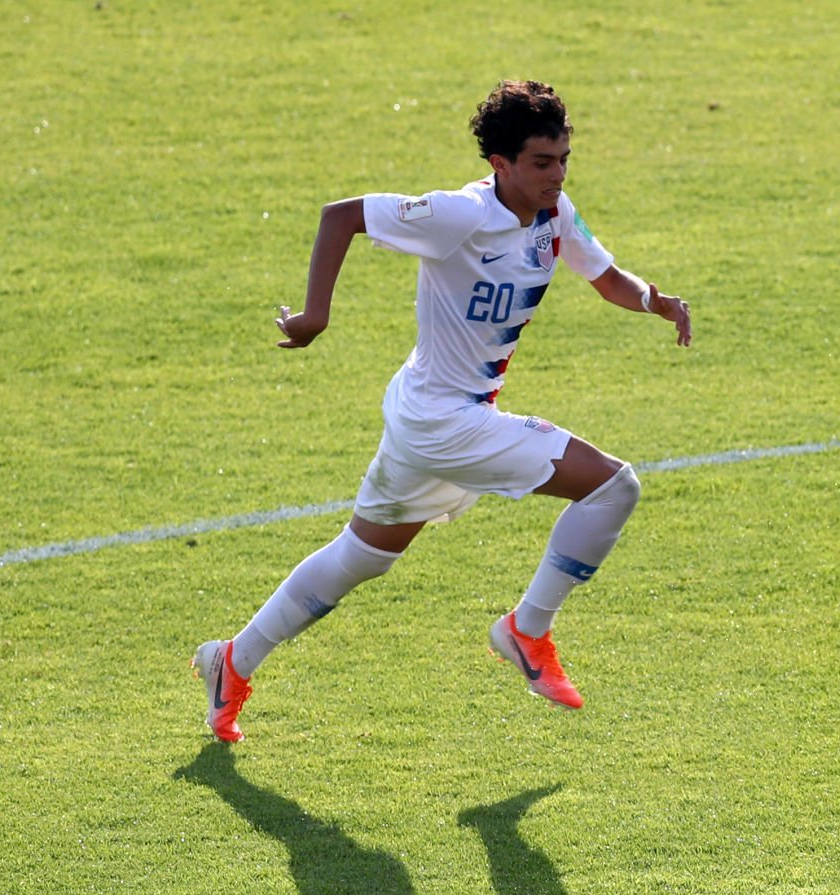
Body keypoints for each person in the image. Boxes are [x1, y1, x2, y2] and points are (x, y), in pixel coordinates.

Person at [195, 80, 691, 741]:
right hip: (445, 422)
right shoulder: (460, 215)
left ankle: (231, 661)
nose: (558, 174)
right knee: (613, 486)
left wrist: (654, 300)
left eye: (564, 159)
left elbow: (604, 277)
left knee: (360, 557)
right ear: (500, 164)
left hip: (425, 414)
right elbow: (341, 216)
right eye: (542, 162)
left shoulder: (553, 214)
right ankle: (526, 630)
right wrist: (315, 315)